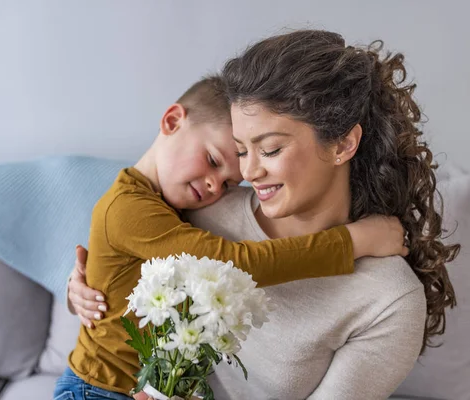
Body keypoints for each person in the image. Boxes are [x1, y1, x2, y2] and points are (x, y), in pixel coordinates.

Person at [68, 30, 459, 399]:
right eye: (240, 151)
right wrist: (82, 290)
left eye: (269, 149)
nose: (248, 174)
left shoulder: (389, 300)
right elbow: (136, 260)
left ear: (343, 143)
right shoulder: (200, 214)